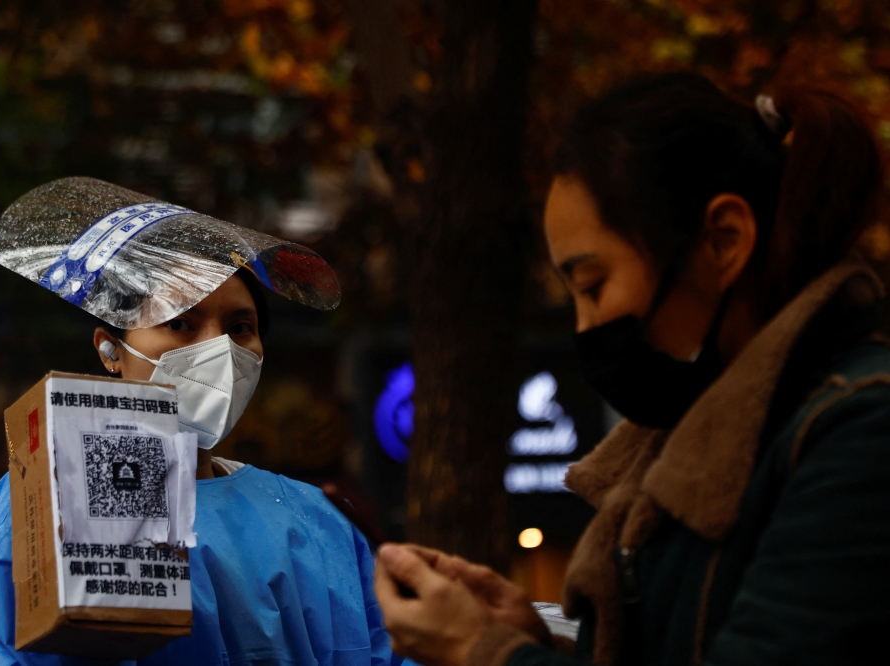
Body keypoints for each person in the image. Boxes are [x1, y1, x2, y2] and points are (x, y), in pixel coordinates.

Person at [374, 72, 890, 665]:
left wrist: (485, 651)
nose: (586, 327)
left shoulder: (857, 434)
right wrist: (536, 641)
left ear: (723, 242)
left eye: (594, 285)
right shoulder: (699, 445)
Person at [0, 263, 403, 665]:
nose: (218, 350)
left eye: (240, 327)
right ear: (111, 349)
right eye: (179, 323)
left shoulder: (321, 518)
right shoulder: (52, 492)